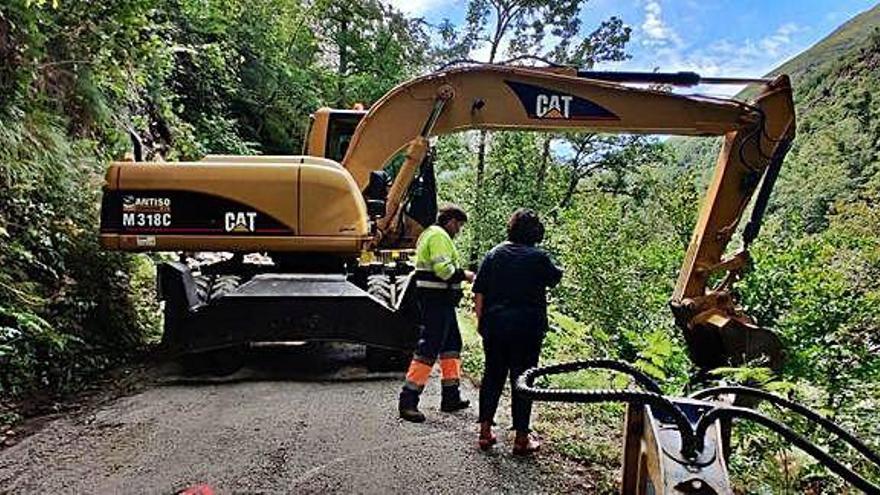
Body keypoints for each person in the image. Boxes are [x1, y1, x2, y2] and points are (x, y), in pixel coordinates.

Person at [472, 208, 562, 455]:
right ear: (535, 233)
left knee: (492, 376)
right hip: (527, 329)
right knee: (522, 380)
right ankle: (521, 439)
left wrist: (481, 322)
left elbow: (479, 291)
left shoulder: (493, 254)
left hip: (495, 326)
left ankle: (485, 432)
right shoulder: (538, 257)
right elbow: (555, 277)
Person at [398, 204, 476, 423]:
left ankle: (451, 396)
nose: (459, 230)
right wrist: (466, 275)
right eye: (459, 225)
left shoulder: (431, 234)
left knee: (452, 345)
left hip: (441, 302)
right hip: (436, 301)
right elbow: (445, 271)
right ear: (450, 221)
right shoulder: (439, 236)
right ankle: (408, 401)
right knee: (429, 348)